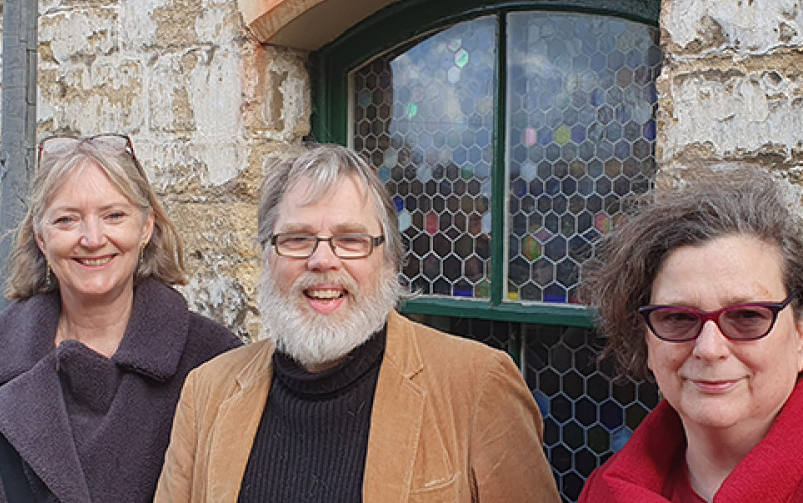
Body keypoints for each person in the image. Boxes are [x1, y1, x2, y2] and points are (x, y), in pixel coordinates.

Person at [155, 144, 560, 502]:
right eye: (297, 238)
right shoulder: (207, 391)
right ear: (267, 257)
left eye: (351, 239)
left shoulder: (476, 386)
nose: (322, 260)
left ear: (388, 259)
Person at [0, 133, 241, 502]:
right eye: (67, 220)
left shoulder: (214, 365)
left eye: (114, 215)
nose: (92, 238)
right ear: (41, 237)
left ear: (146, 227)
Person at [577, 167, 803, 502]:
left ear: (801, 330)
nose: (709, 348)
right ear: (646, 337)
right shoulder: (603, 491)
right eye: (677, 317)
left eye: (747, 316)